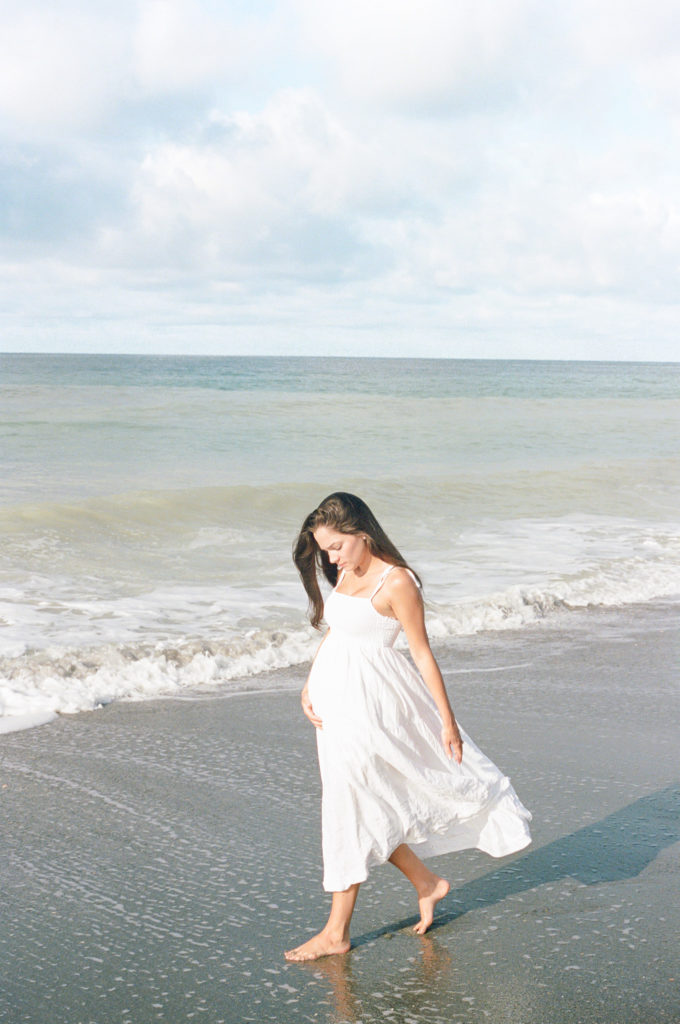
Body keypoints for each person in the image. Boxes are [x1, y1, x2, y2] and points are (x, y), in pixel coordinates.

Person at [285, 492, 531, 962]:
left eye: (336, 547)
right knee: (364, 801)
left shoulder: (397, 582)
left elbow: (421, 652)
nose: (330, 558)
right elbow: (337, 632)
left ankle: (336, 933)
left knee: (348, 805)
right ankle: (426, 882)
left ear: (362, 533)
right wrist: (309, 682)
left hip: (371, 707)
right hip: (333, 708)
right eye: (324, 551)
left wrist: (448, 721)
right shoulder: (346, 572)